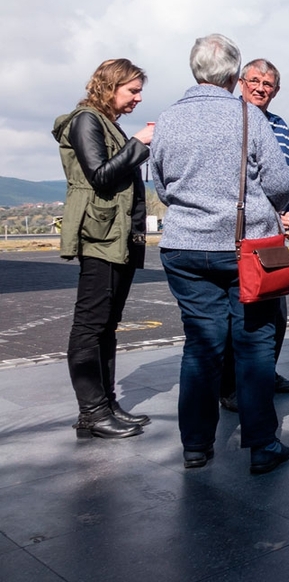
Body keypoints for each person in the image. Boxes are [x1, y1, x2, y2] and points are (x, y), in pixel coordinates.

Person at [151, 34, 289, 474]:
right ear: (234, 75)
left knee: (201, 346)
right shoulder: (249, 117)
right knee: (253, 346)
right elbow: (279, 184)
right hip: (243, 248)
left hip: (183, 247)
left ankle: (196, 445)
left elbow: (159, 183)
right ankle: (262, 446)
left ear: (195, 71)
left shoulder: (167, 118)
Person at [52, 59, 155, 439]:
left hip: (115, 234)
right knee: (90, 324)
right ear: (109, 86)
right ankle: (92, 412)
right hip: (100, 236)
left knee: (107, 325)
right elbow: (100, 175)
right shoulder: (86, 120)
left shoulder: (105, 122)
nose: (138, 98)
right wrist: (138, 143)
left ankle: (105, 404)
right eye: (132, 90)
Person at [218, 59, 289, 412]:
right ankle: (231, 385)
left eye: (268, 84)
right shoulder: (230, 119)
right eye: (254, 80)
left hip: (271, 236)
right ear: (240, 82)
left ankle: (265, 373)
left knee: (275, 310)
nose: (261, 88)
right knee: (236, 313)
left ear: (276, 91)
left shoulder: (279, 126)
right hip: (234, 234)